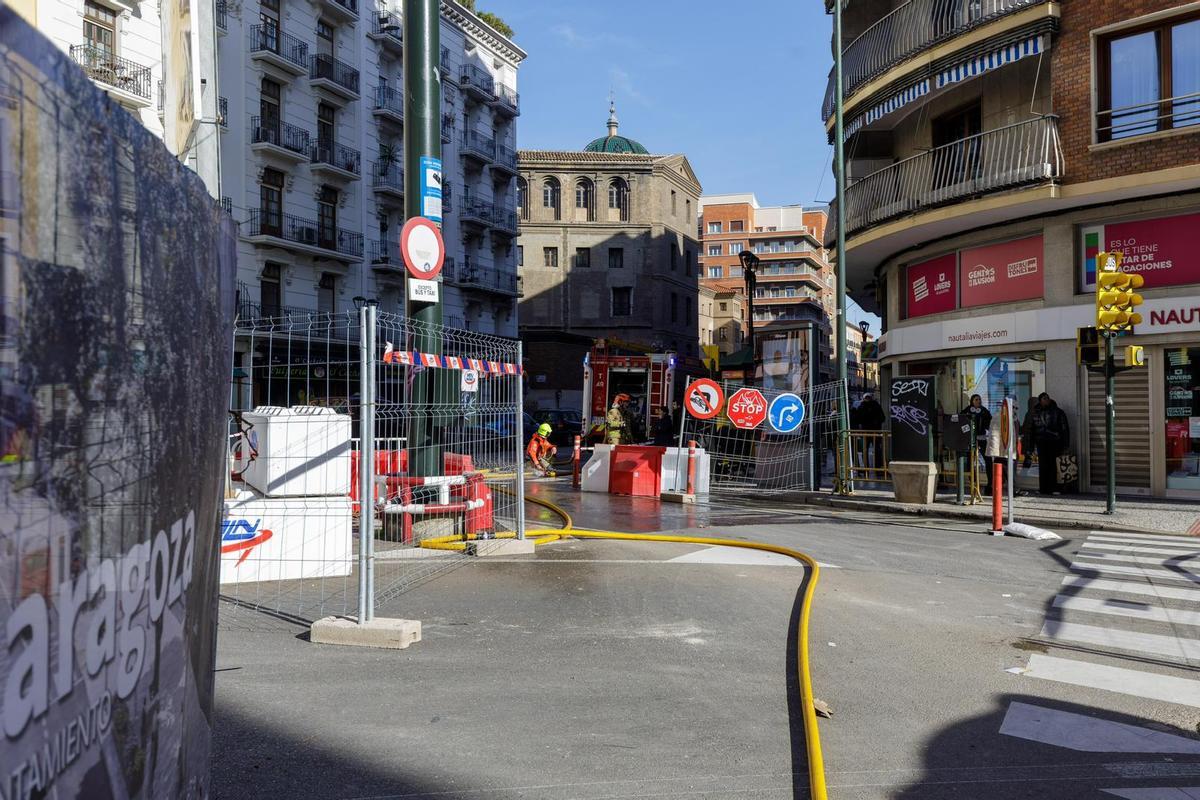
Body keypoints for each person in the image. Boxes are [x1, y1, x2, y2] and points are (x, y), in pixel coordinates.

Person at [1031, 392, 1069, 495]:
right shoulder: (1035, 412)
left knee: (1053, 466)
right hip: (1041, 443)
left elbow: (1064, 429)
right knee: (1043, 466)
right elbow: (1031, 430)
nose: (1046, 400)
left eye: (1047, 398)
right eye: (1044, 398)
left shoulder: (1058, 412)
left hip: (1054, 442)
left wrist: (1065, 445)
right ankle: (1043, 488)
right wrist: (1031, 447)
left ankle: (1054, 488)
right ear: (1040, 401)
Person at [961, 394, 993, 486]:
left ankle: (990, 482)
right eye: (976, 399)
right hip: (971, 438)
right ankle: (973, 482)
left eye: (979, 399)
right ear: (972, 401)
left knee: (988, 459)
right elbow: (961, 421)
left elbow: (990, 422)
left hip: (982, 437)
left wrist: (986, 429)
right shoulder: (967, 410)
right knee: (971, 460)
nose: (979, 401)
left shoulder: (984, 411)